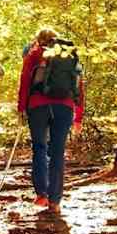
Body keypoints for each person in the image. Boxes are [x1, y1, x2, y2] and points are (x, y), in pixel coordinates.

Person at [18, 28, 85, 211]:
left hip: (38, 106)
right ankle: (55, 201)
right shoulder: (69, 55)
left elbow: (25, 80)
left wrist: (22, 108)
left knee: (39, 147)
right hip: (64, 106)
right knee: (58, 151)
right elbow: (79, 84)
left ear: (38, 39)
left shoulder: (35, 54)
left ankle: (42, 195)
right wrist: (78, 116)